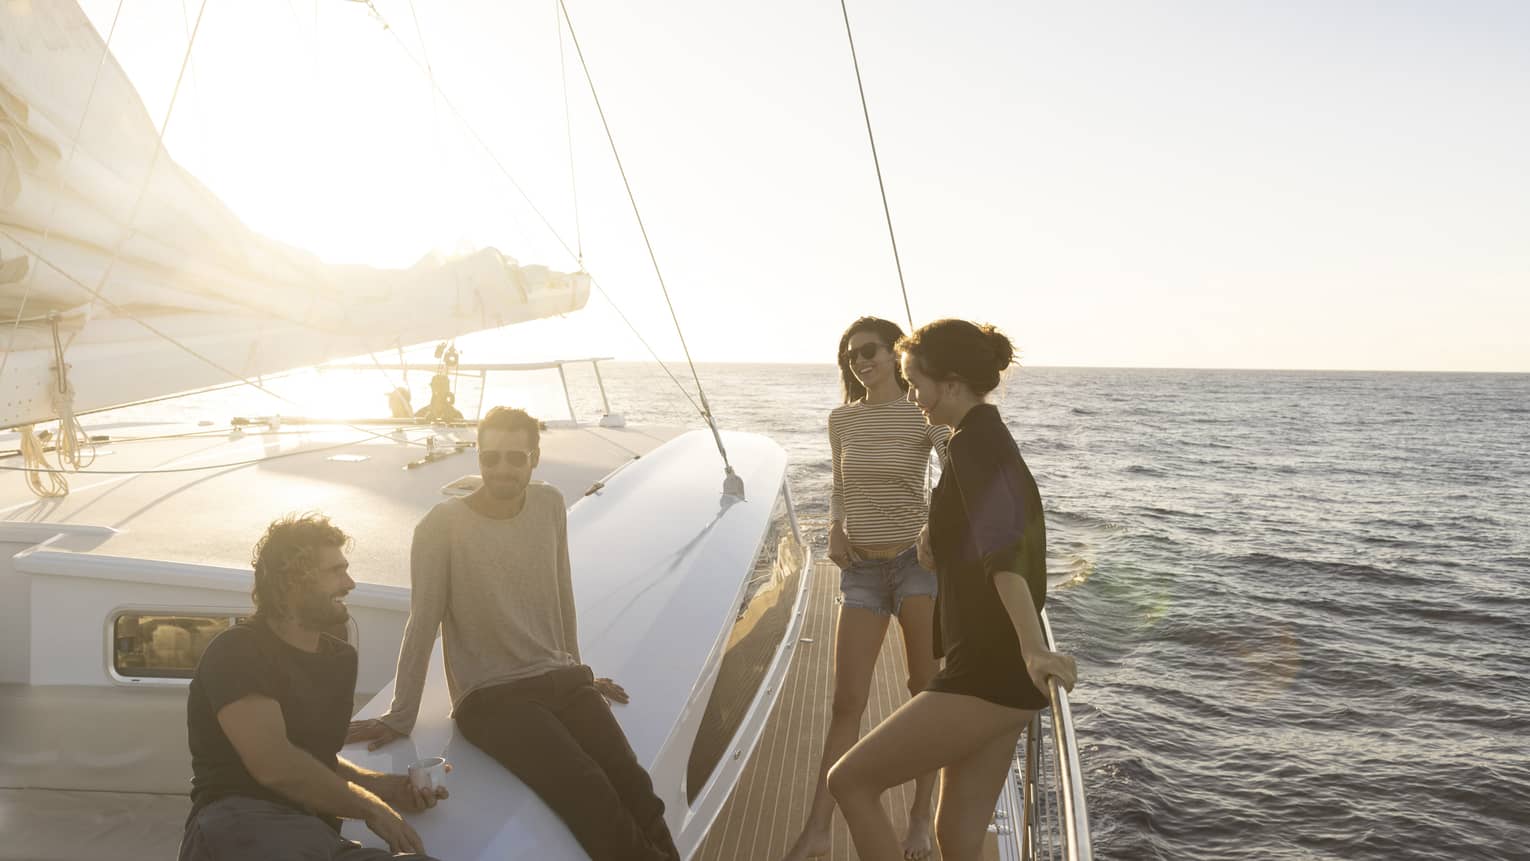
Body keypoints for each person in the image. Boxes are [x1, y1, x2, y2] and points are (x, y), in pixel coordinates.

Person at [347, 406, 680, 861]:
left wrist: (578, 667)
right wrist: (401, 714)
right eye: (490, 458)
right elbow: (422, 621)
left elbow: (560, 592)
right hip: (493, 696)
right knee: (587, 790)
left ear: (534, 458)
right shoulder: (441, 526)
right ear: (480, 459)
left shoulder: (548, 504)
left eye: (514, 458)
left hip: (561, 679)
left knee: (633, 782)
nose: (501, 469)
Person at [827, 319, 1078, 861]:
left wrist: (1035, 649)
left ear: (952, 383)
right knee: (958, 838)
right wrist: (931, 534)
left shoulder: (971, 446)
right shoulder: (985, 436)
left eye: (917, 383)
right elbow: (984, 523)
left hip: (986, 674)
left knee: (849, 782)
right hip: (1000, 673)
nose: (914, 396)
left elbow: (1003, 552)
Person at [178, 514, 447, 861]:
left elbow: (314, 763)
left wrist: (389, 789)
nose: (350, 582)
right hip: (240, 824)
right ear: (294, 581)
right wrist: (372, 808)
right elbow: (275, 763)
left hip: (312, 833)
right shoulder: (238, 651)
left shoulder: (339, 659)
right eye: (336, 571)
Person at [783, 316, 949, 861]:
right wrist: (833, 526)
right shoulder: (842, 420)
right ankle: (817, 830)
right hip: (861, 571)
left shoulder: (923, 416)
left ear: (895, 353)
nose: (860, 360)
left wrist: (935, 528)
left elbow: (957, 469)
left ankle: (921, 820)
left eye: (871, 350)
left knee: (925, 692)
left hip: (915, 568)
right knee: (846, 702)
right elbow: (839, 482)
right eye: (852, 354)